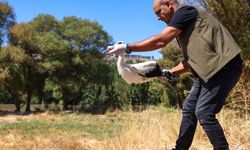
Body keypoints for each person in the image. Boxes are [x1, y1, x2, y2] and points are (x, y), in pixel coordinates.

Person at [105, 0, 243, 149]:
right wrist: (169, 72)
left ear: (169, 4)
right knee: (189, 109)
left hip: (224, 66)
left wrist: (128, 47)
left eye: (159, 12)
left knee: (203, 111)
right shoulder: (186, 26)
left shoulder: (185, 12)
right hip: (208, 71)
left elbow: (160, 41)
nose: (158, 17)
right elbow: (189, 62)